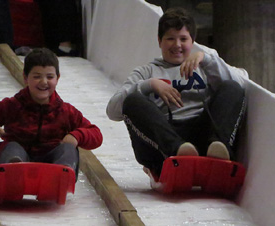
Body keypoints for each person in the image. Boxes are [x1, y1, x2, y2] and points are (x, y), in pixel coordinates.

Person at [106, 8, 247, 187]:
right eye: (170, 39)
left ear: (192, 41)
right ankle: (178, 152)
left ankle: (218, 148)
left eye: (183, 39)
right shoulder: (146, 72)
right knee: (132, 101)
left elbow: (241, 84)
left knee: (231, 86)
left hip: (202, 135)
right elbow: (113, 111)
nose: (177, 45)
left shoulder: (204, 66)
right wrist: (149, 85)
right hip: (166, 139)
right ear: (159, 41)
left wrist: (207, 60)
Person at [0, 48, 102, 179]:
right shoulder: (11, 106)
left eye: (50, 77)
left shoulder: (65, 111)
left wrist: (77, 136)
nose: (44, 82)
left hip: (51, 163)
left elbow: (96, 134)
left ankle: (59, 178)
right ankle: (12, 175)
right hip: (20, 157)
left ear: (57, 78)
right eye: (37, 77)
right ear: (25, 78)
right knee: (12, 147)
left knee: (68, 149)